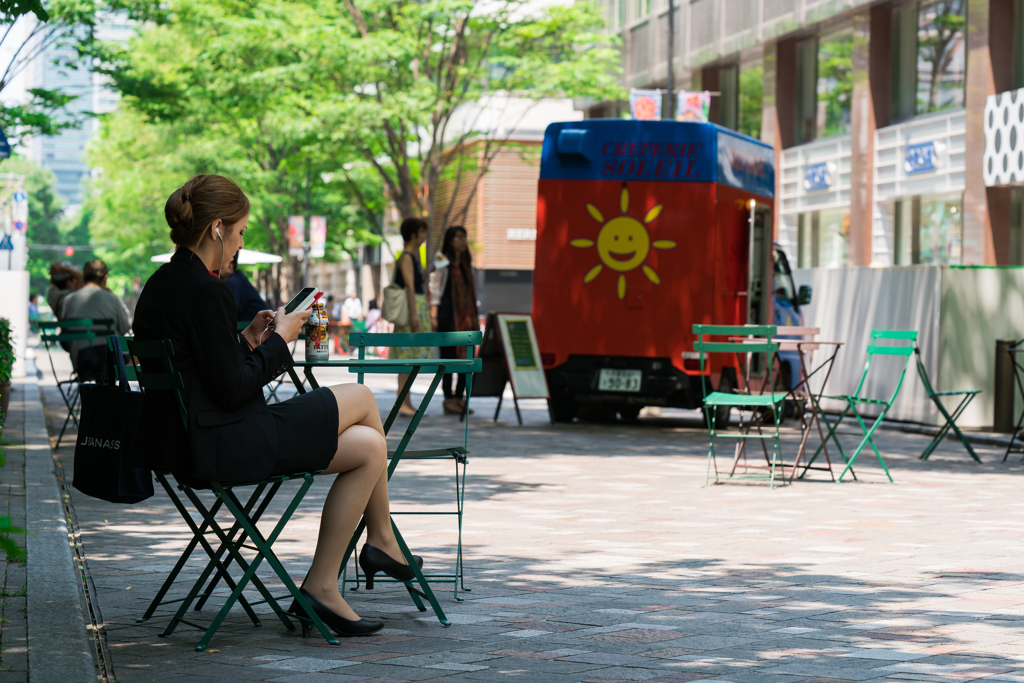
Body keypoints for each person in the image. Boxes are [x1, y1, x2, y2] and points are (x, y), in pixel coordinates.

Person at [133, 174, 420, 637]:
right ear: (218, 228)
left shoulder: (161, 284)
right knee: (364, 397)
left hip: (188, 441)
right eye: (242, 231)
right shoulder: (208, 291)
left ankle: (328, 582)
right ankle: (377, 544)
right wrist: (282, 341)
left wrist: (246, 339)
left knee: (368, 445)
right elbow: (232, 389)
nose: (241, 244)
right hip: (227, 441)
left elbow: (208, 371)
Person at [428, 226, 478, 415]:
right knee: (448, 359)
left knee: (466, 360)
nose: (462, 241)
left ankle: (460, 398)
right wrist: (433, 313)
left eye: (464, 237)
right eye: (458, 237)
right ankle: (448, 399)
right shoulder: (441, 258)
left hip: (466, 320)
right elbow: (435, 286)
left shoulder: (465, 262)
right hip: (447, 316)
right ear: (450, 240)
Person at [61, 259, 132, 376]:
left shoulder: (68, 300)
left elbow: (65, 335)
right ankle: (119, 388)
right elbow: (126, 328)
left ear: (84, 278)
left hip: (82, 359)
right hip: (113, 360)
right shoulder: (113, 299)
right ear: (105, 278)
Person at [390, 218, 432, 417]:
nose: (424, 237)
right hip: (410, 312)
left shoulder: (412, 257)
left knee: (409, 358)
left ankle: (406, 402)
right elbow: (409, 287)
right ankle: (402, 402)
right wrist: (414, 315)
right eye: (422, 233)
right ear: (413, 234)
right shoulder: (407, 256)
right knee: (406, 359)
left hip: (414, 310)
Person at [220, 249, 269, 322]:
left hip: (257, 328)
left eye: (219, 265)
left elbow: (229, 311)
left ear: (229, 267)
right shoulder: (238, 278)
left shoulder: (234, 281)